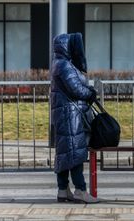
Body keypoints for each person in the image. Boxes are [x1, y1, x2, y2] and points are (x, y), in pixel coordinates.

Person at [50, 33, 99, 204]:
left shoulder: (60, 63)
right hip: (71, 115)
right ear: (66, 47)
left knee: (65, 152)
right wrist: (91, 93)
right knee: (75, 152)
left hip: (65, 113)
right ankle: (80, 190)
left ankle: (63, 190)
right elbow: (76, 89)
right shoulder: (64, 65)